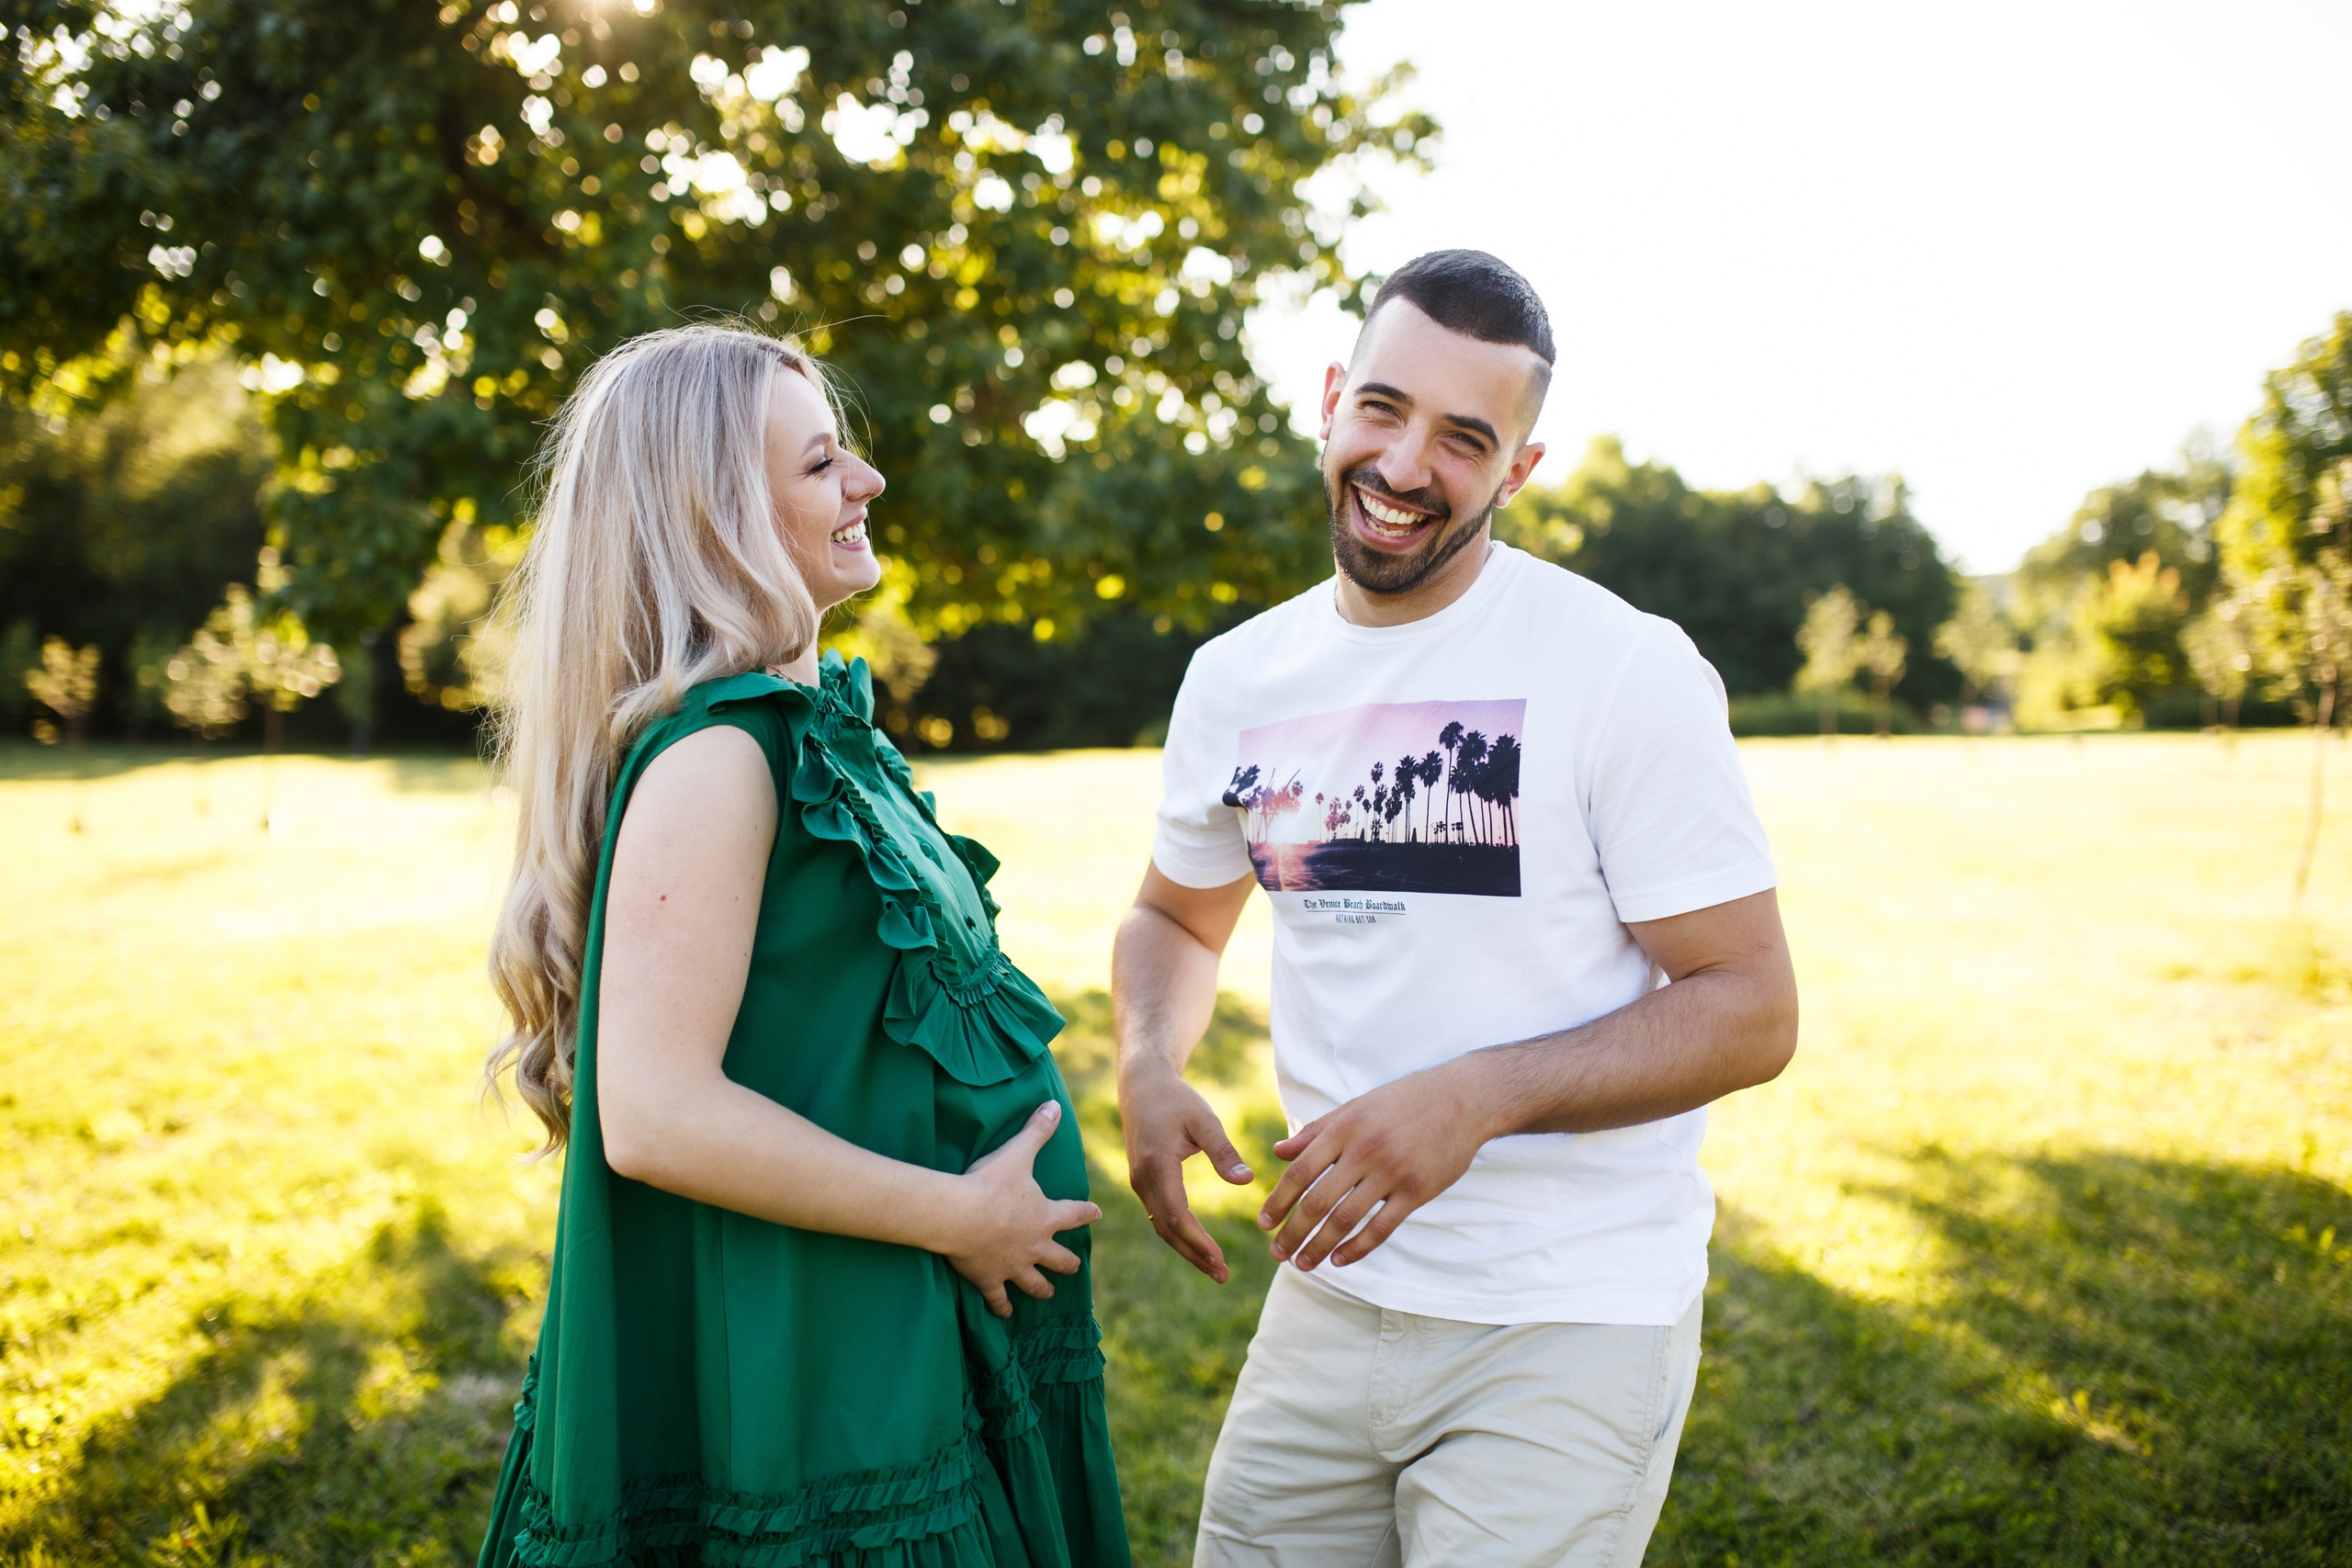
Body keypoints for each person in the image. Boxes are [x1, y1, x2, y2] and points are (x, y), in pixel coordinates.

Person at [1114, 251, 1798, 1567]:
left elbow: (1752, 1009)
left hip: (1568, 1315)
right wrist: (1149, 1059)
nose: (1405, 464)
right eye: (1383, 409)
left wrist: (1478, 1096)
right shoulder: (1237, 675)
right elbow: (1175, 918)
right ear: (1330, 401)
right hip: (1328, 1298)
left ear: (1519, 471)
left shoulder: (1621, 670)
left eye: (1464, 439)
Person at [476, 322, 1129, 1568]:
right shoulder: (718, 760)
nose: (868, 483)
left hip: (899, 1324)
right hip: (811, 1359)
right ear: (714, 515)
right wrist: (956, 1215)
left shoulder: (808, 731)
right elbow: (655, 1114)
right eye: (824, 464)